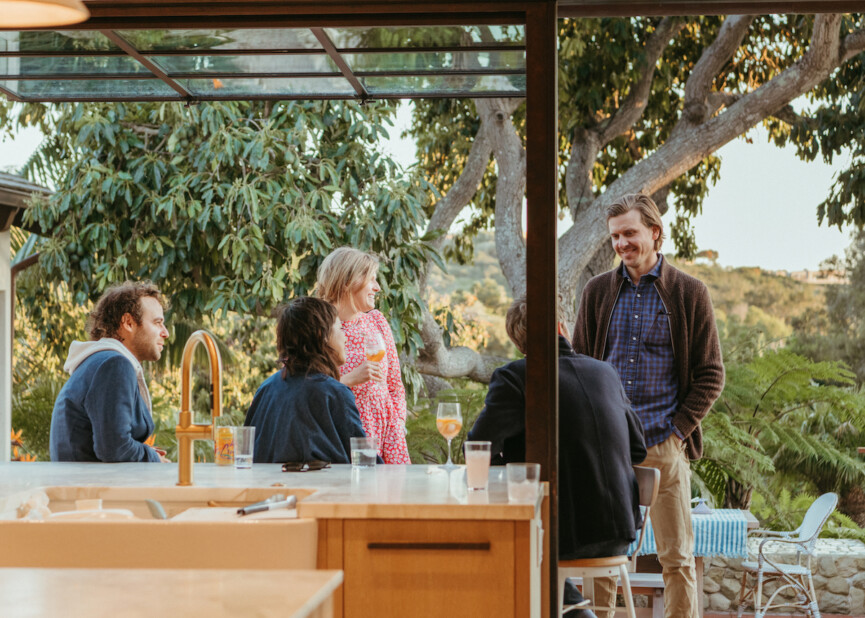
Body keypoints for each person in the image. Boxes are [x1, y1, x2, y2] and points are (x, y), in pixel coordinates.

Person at [572, 193, 725, 618]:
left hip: (664, 445)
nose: (622, 243)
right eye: (615, 236)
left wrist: (677, 432)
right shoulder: (598, 292)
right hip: (606, 449)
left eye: (630, 233)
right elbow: (579, 367)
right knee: (602, 560)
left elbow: (712, 374)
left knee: (677, 560)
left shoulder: (690, 293)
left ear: (655, 232)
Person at [469, 296, 647, 618]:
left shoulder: (515, 377)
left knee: (505, 544)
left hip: (563, 535)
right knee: (525, 545)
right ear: (562, 327)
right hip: (620, 531)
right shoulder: (605, 372)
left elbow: (478, 446)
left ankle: (577, 615)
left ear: (518, 342)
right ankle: (576, 612)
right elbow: (638, 449)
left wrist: (508, 465)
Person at [50, 281, 169, 462]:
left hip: (82, 485)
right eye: (157, 323)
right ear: (128, 322)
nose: (165, 332)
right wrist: (152, 458)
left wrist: (144, 451)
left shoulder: (99, 362)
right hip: (91, 488)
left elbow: (110, 443)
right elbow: (115, 448)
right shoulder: (114, 365)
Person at [315, 247, 410, 464]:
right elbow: (305, 391)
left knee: (393, 496)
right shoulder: (318, 327)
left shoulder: (377, 321)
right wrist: (349, 380)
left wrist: (398, 426)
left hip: (389, 435)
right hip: (344, 435)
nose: (377, 288)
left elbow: (394, 384)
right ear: (349, 281)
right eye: (372, 280)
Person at [245, 297, 367, 464]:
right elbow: (365, 460)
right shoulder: (335, 394)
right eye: (340, 328)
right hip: (323, 488)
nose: (345, 338)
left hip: (269, 488)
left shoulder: (265, 389)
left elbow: (249, 453)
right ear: (322, 335)